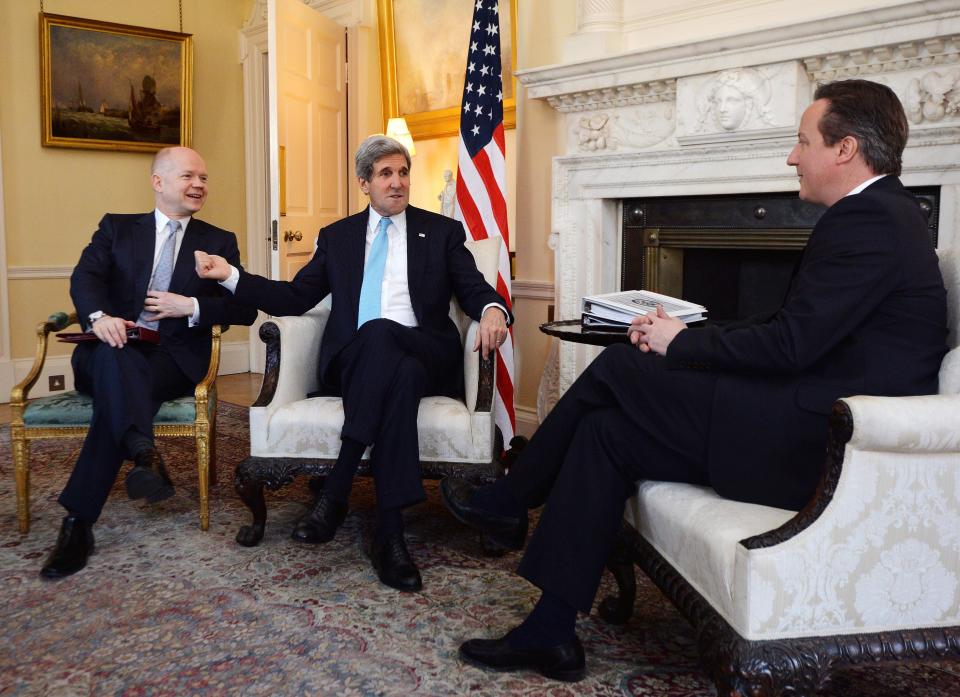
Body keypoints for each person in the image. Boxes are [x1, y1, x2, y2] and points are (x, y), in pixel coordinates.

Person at [440, 79, 948, 682]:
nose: (792, 156)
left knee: (626, 366)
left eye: (802, 141)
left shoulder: (871, 222)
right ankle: (550, 631)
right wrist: (692, 328)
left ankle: (510, 497)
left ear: (845, 149)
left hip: (823, 445)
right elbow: (795, 327)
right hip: (804, 415)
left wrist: (681, 342)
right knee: (607, 431)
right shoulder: (881, 215)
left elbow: (791, 344)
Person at [195, 135, 510, 592]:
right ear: (364, 182)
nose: (397, 182)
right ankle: (390, 533)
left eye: (403, 173)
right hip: (363, 364)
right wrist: (231, 277)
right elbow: (295, 296)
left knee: (382, 331)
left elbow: (474, 288)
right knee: (395, 370)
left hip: (428, 348)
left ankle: (339, 485)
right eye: (385, 174)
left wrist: (494, 309)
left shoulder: (440, 232)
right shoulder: (338, 237)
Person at [40, 147, 258, 579]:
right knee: (116, 360)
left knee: (119, 390)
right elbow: (85, 278)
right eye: (188, 176)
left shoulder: (218, 241)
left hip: (170, 359)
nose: (199, 185)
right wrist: (99, 319)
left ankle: (79, 522)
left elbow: (244, 310)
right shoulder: (117, 229)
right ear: (158, 182)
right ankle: (142, 452)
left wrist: (190, 304)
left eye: (204, 178)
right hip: (105, 350)